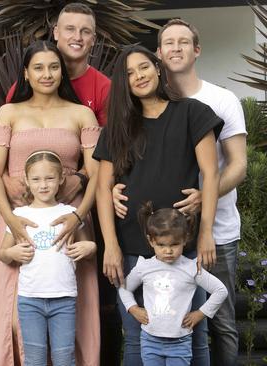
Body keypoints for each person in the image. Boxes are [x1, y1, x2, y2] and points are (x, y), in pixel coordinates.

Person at [113, 18, 247, 365]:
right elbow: (119, 166)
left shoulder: (217, 101)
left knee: (217, 323)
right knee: (150, 327)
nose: (176, 48)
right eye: (168, 42)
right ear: (160, 53)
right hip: (152, 237)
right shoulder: (131, 114)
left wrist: (206, 198)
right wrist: (112, 188)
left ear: (196, 49)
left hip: (211, 230)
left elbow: (236, 165)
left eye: (183, 42)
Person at [94, 44, 223, 366]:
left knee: (194, 333)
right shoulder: (118, 128)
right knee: (136, 337)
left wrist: (205, 233)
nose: (138, 76)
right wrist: (110, 245)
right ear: (123, 84)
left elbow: (210, 172)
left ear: (157, 67)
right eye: (129, 74)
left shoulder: (192, 112)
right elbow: (101, 187)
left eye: (143, 67)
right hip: (133, 246)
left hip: (183, 246)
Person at [0, 40, 101, 366]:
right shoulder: (9, 112)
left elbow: (96, 170)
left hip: (70, 220)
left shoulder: (81, 113)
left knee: (75, 307)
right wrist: (11, 219)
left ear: (62, 71)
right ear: (26, 73)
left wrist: (79, 216)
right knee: (14, 311)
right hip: (19, 219)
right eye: (38, 67)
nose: (46, 74)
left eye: (53, 66)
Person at [0, 150, 96, 366]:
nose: (43, 185)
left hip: (64, 299)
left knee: (64, 358)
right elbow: (2, 254)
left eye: (50, 178)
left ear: (61, 179)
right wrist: (12, 253)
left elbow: (88, 249)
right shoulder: (19, 215)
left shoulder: (70, 213)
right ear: (26, 180)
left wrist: (90, 247)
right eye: (36, 179)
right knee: (35, 359)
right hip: (30, 300)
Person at [118, 202, 227, 366]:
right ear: (151, 241)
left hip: (180, 343)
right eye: (161, 245)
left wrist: (200, 313)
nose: (168, 251)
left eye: (174, 244)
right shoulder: (145, 267)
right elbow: (124, 288)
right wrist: (133, 309)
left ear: (185, 240)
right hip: (150, 341)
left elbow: (220, 290)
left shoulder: (191, 268)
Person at [5, 3, 110, 126]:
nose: (77, 37)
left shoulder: (105, 89)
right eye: (70, 29)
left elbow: (109, 141)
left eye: (85, 31)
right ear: (56, 32)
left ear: (93, 39)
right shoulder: (27, 86)